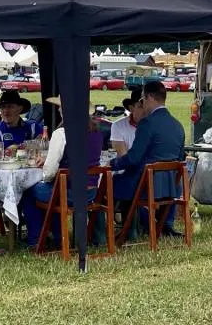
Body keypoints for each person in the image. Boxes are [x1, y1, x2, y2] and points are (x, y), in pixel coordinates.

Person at [20, 95, 105, 248]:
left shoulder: (62, 134)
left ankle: (38, 239)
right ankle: (57, 235)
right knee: (51, 190)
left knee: (29, 190)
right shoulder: (97, 132)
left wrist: (44, 175)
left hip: (70, 193)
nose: (59, 109)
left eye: (61, 106)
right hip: (91, 192)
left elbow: (50, 172)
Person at [110, 79, 186, 237]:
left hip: (145, 184)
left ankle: (123, 229)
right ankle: (156, 225)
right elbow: (179, 158)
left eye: (143, 99)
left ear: (150, 97)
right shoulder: (178, 125)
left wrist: (112, 164)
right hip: (171, 185)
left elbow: (133, 158)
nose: (142, 103)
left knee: (108, 184)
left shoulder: (147, 124)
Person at [110, 87, 143, 157]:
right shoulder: (118, 126)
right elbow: (122, 158)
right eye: (141, 106)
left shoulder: (157, 125)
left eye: (148, 107)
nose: (145, 110)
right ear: (131, 108)